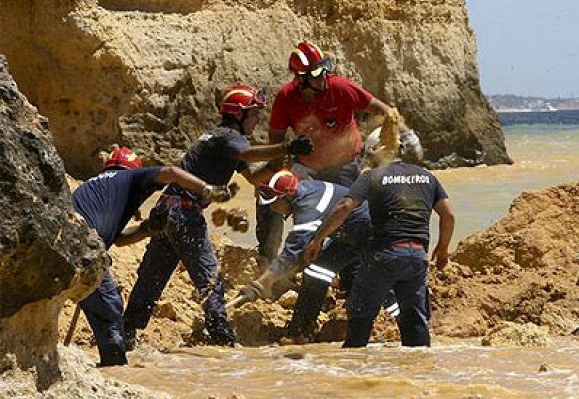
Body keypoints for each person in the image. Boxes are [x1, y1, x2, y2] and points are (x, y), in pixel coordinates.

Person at [123, 84, 314, 349]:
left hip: (167, 209)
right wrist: (285, 147)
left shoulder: (217, 138)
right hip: (185, 212)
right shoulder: (228, 137)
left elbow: (255, 178)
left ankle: (125, 334)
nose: (258, 118)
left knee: (152, 277)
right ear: (239, 114)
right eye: (254, 113)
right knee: (209, 281)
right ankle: (224, 342)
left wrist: (277, 163)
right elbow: (247, 154)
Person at [255, 41, 415, 265]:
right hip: (307, 167)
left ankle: (350, 269)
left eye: (325, 69)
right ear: (301, 78)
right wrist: (279, 171)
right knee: (269, 198)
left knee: (351, 217)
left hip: (346, 166)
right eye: (316, 73)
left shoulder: (340, 87)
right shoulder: (286, 98)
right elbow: (276, 137)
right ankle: (268, 257)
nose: (323, 77)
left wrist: (407, 134)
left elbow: (383, 110)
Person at [72, 146, 231, 366]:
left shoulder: (96, 186)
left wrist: (147, 228)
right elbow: (170, 172)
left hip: (67, 242)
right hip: (85, 247)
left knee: (97, 305)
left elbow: (118, 239)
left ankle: (106, 363)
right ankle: (116, 369)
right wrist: (207, 189)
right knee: (110, 309)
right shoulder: (131, 176)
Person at [305, 127, 454, 348]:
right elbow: (448, 215)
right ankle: (419, 374)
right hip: (417, 257)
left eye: (369, 153)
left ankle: (354, 372)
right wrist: (443, 249)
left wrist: (318, 239)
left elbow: (345, 205)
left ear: (378, 150)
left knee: (361, 317)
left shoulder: (373, 177)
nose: (368, 159)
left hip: (384, 255)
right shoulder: (426, 176)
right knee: (414, 322)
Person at [234, 170, 399, 343]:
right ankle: (300, 332)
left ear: (288, 197)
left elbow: (290, 255)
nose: (272, 208)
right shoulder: (304, 190)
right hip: (347, 236)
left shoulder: (308, 209)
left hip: (370, 235)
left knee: (378, 284)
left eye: (275, 202)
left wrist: (260, 285)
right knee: (315, 273)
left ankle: (409, 323)